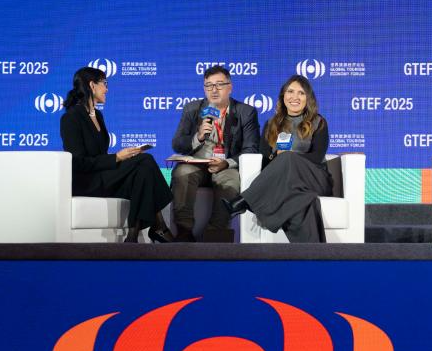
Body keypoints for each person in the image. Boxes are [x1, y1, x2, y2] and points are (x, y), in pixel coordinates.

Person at [59, 66, 173, 243]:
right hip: (87, 181)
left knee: (142, 171)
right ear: (92, 85)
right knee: (145, 159)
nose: (107, 89)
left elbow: (99, 154)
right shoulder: (71, 118)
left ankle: (133, 236)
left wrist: (122, 157)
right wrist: (117, 157)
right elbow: (79, 162)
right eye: (104, 83)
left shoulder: (98, 115)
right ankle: (158, 227)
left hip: (103, 175)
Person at [221, 75, 331, 243]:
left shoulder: (318, 122)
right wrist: (276, 156)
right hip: (289, 185)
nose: (295, 97)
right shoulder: (271, 124)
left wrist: (289, 157)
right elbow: (265, 161)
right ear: (283, 96)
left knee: (288, 157)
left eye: (301, 93)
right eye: (290, 91)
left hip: (315, 178)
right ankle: (312, 254)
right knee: (302, 202)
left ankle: (245, 200)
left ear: (308, 98)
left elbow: (317, 157)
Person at [170, 65, 260, 241]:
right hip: (197, 164)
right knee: (182, 173)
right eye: (209, 85)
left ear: (230, 87)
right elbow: (177, 144)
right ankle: (184, 231)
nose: (214, 90)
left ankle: (214, 233)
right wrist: (198, 136)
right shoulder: (192, 109)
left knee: (231, 180)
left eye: (219, 84)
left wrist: (226, 163)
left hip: (226, 165)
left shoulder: (246, 112)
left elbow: (251, 148)